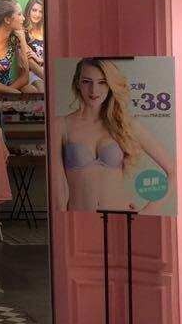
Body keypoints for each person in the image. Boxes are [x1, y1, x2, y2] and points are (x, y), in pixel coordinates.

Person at [54, 58, 174, 213]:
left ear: (110, 85)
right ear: (77, 83)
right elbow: (58, 188)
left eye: (102, 82)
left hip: (121, 216)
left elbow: (174, 171)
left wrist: (146, 213)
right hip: (79, 218)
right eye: (86, 81)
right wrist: (63, 220)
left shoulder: (125, 125)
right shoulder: (61, 125)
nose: (94, 90)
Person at [0, 0, 30, 95]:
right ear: (7, 19)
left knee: (29, 89)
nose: (23, 18)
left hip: (8, 89)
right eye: (19, 14)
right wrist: (11, 92)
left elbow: (25, 77)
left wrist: (22, 39)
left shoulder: (15, 40)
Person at [19, 0, 46, 91]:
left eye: (41, 11)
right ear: (28, 10)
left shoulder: (46, 30)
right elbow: (30, 62)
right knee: (42, 89)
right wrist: (49, 78)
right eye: (34, 10)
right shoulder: (23, 32)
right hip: (33, 74)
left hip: (49, 70)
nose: (37, 14)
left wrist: (40, 59)